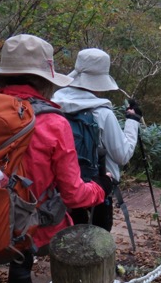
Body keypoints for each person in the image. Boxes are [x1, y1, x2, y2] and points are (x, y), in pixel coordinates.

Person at [0, 34, 111, 283]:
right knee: (63, 254)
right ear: (45, 78)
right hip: (44, 220)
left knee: (20, 262)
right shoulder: (54, 123)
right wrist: (101, 186)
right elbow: (76, 195)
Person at [52, 48, 141, 231]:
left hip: (61, 187)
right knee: (97, 242)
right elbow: (122, 155)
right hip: (97, 188)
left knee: (66, 239)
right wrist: (132, 122)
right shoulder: (102, 113)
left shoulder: (53, 104)